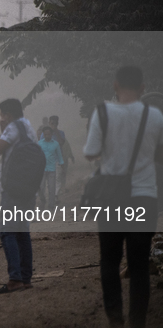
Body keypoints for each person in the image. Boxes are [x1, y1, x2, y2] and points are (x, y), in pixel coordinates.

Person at [84, 66, 163, 328]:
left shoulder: (102, 112)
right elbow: (159, 155)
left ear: (115, 85)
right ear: (142, 88)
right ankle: (137, 322)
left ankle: (115, 320)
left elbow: (91, 152)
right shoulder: (155, 116)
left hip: (111, 198)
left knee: (109, 260)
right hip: (145, 196)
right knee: (139, 264)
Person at [0, 98, 36, 294]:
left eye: (2, 115)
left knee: (7, 232)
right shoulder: (28, 127)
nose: (1, 118)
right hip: (27, 187)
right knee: (22, 233)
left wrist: (3, 129)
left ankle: (15, 278)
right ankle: (25, 278)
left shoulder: (12, 127)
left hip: (13, 189)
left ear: (7, 115)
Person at [37, 126, 64, 210]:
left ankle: (51, 205)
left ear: (52, 134)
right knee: (41, 187)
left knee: (52, 188)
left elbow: (59, 156)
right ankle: (43, 200)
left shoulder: (55, 144)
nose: (47, 136)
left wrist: (62, 164)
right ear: (43, 134)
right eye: (45, 134)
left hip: (52, 168)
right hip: (42, 169)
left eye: (49, 134)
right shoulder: (39, 143)